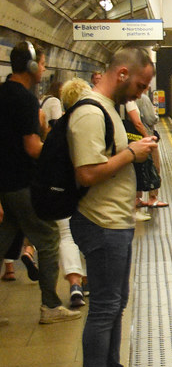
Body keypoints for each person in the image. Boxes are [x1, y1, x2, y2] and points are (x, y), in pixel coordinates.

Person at [69, 47, 160, 367]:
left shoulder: (109, 108)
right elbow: (86, 173)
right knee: (104, 308)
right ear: (122, 73)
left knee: (116, 303)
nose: (141, 92)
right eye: (140, 84)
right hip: (101, 223)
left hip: (117, 221)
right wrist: (133, 154)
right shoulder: (90, 113)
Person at [0, 41, 81, 324]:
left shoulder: (2, 91)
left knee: (3, 240)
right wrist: (59, 156)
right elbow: (32, 147)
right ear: (33, 66)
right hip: (22, 182)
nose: (44, 70)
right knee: (48, 238)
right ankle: (50, 305)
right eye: (43, 64)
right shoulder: (23, 99)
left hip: (5, 185)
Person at [58, 78, 94, 307]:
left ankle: (75, 284)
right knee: (90, 234)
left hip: (60, 191)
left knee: (66, 236)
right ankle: (89, 280)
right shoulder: (88, 125)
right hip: (85, 191)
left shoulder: (58, 128)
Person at [136, 90, 167, 208]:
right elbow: (151, 119)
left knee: (136, 169)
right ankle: (152, 198)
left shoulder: (122, 98)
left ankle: (136, 198)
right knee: (154, 167)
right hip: (146, 137)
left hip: (131, 139)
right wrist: (156, 116)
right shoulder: (143, 99)